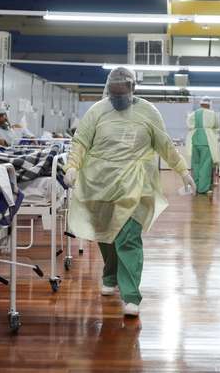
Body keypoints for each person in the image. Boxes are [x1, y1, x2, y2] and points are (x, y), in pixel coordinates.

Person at [63, 67, 195, 317]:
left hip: (136, 183)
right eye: (113, 95)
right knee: (105, 234)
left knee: (128, 237)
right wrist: (71, 167)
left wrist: (182, 170)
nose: (117, 100)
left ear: (133, 90)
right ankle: (110, 275)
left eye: (121, 95)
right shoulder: (97, 112)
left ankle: (131, 295)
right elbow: (80, 142)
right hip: (99, 183)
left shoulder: (148, 112)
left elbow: (164, 144)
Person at [185, 96, 220, 195]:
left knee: (196, 165)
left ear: (200, 104)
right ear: (209, 104)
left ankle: (195, 187)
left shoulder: (192, 114)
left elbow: (189, 126)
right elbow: (217, 126)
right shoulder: (213, 114)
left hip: (194, 140)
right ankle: (203, 189)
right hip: (207, 141)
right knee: (205, 165)